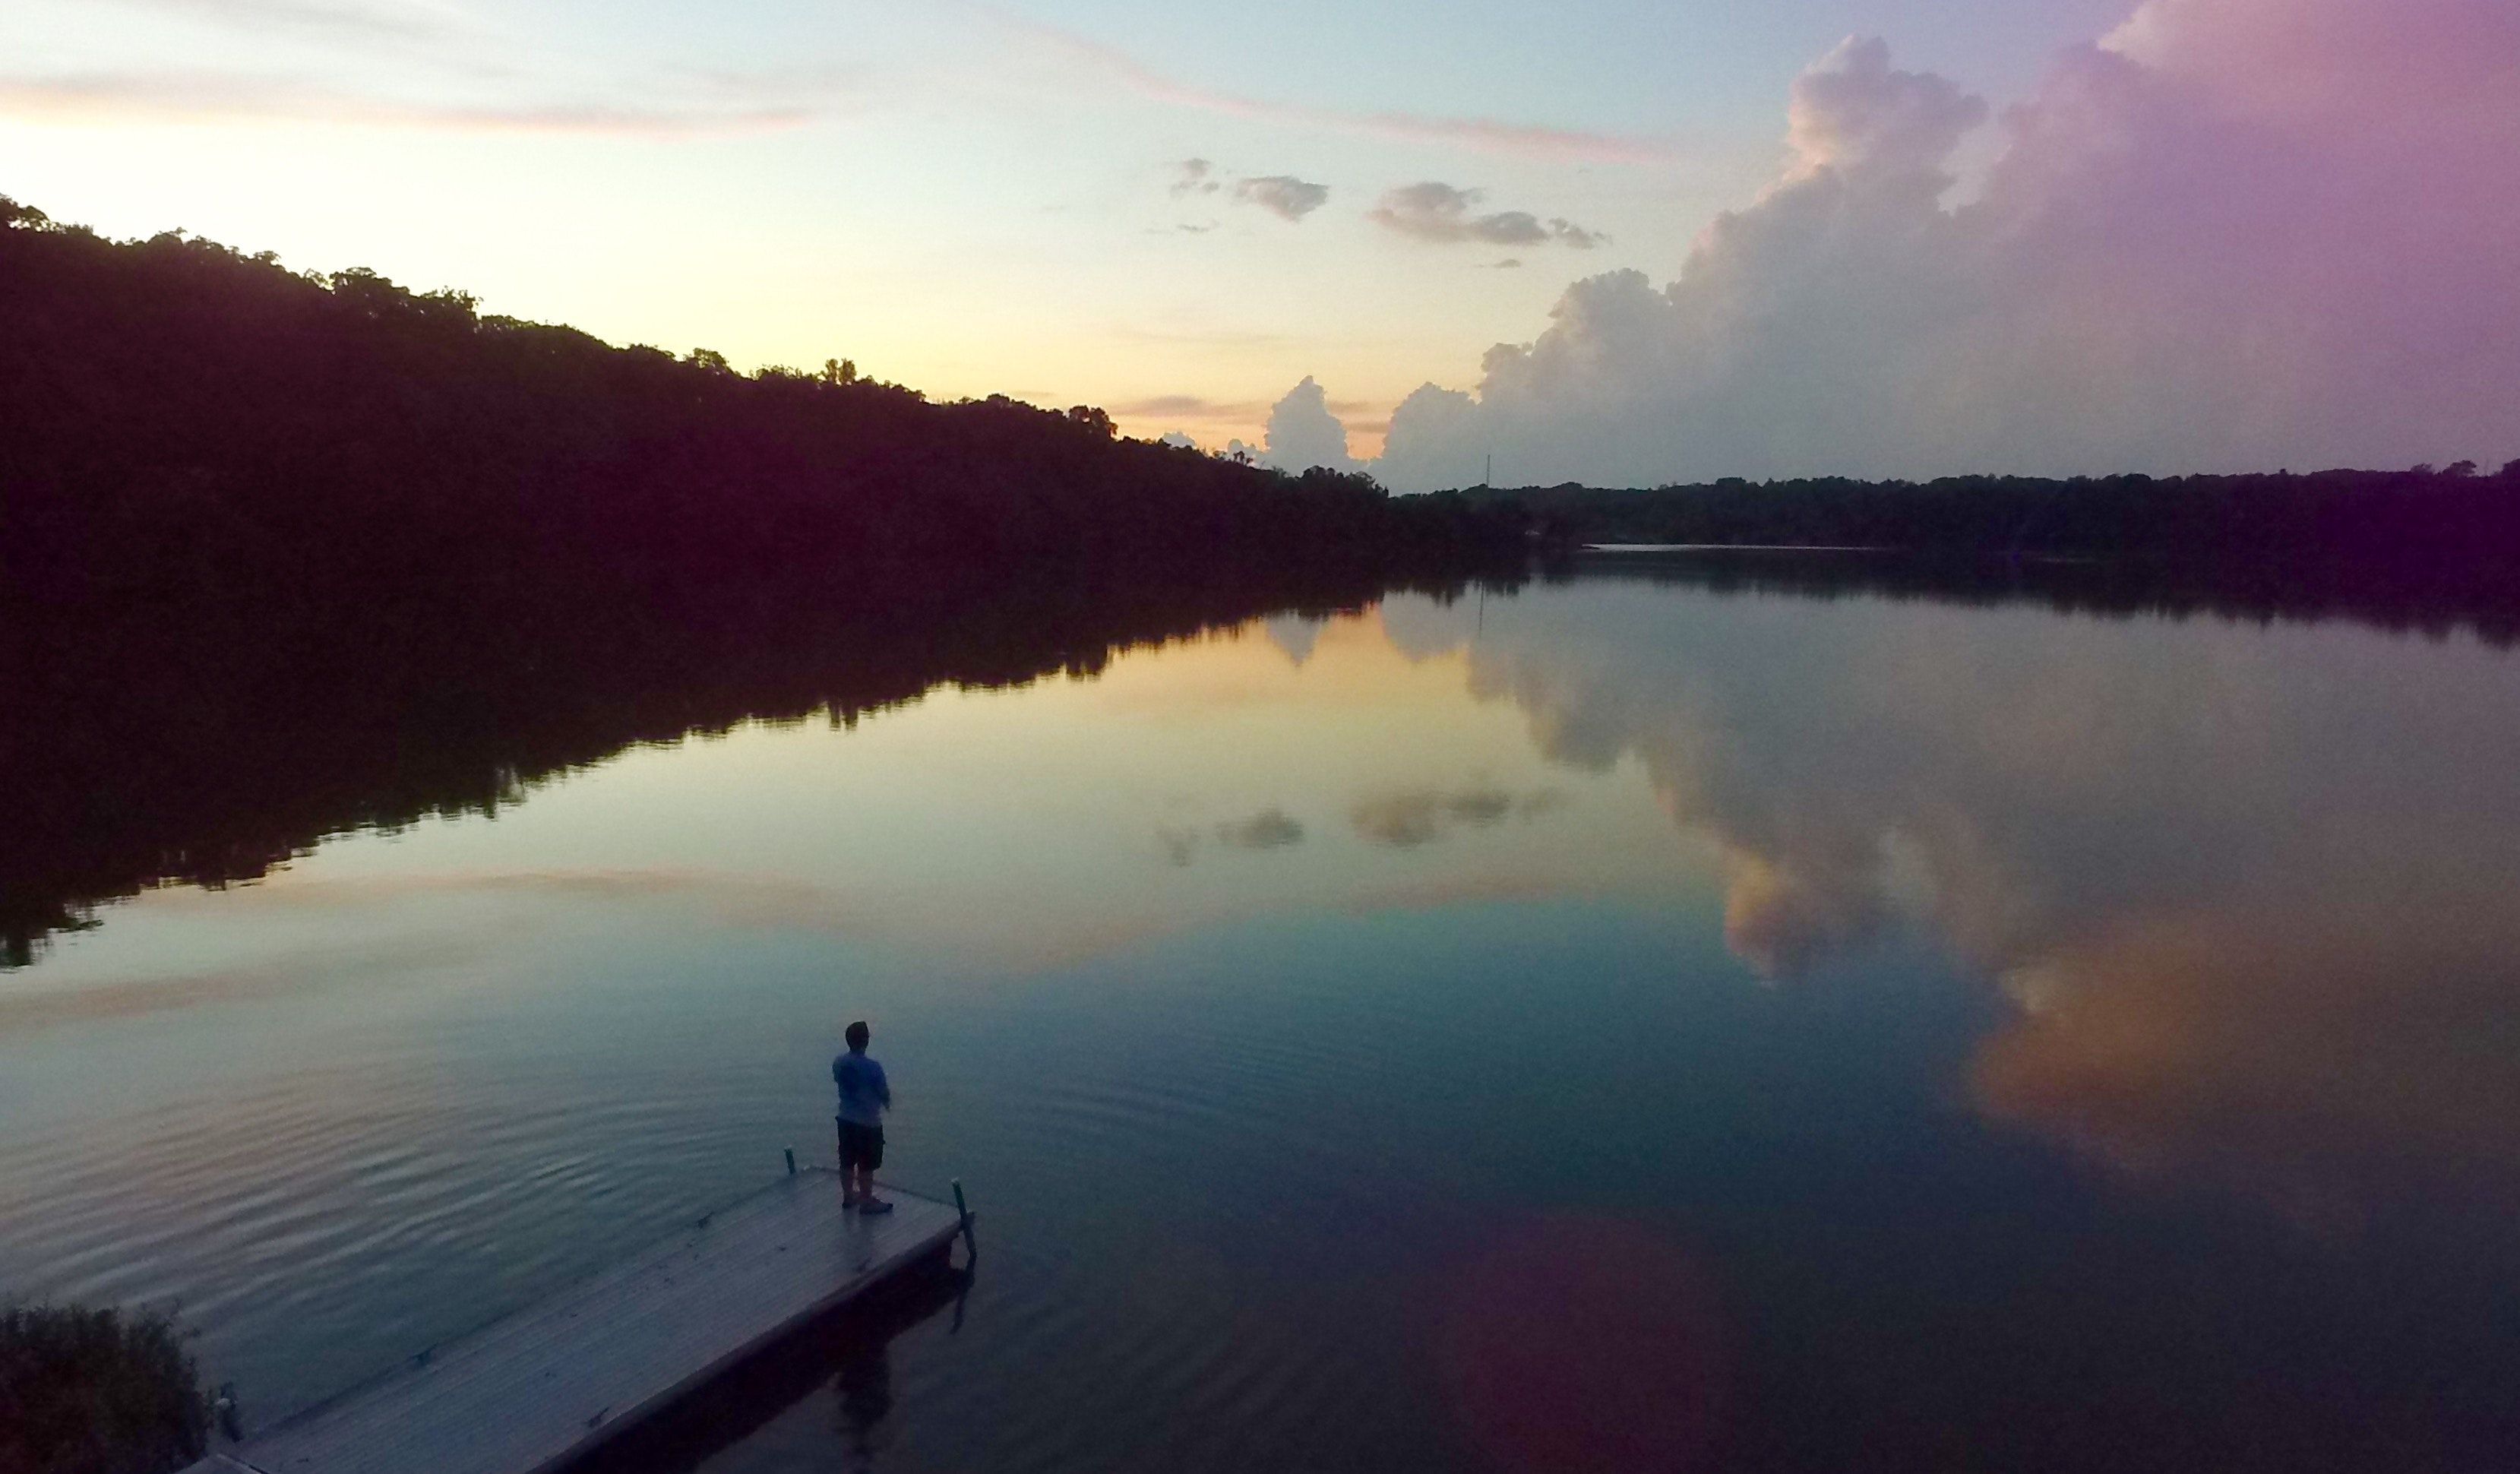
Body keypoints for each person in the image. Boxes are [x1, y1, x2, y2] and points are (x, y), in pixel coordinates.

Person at [833, 1020, 893, 1214]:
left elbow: (840, 1081)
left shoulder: (839, 1062)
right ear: (866, 1041)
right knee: (867, 1164)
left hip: (845, 1119)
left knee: (847, 1159)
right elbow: (884, 1094)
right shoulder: (874, 1067)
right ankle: (867, 1201)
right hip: (868, 1123)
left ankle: (848, 1197)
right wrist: (888, 1104)